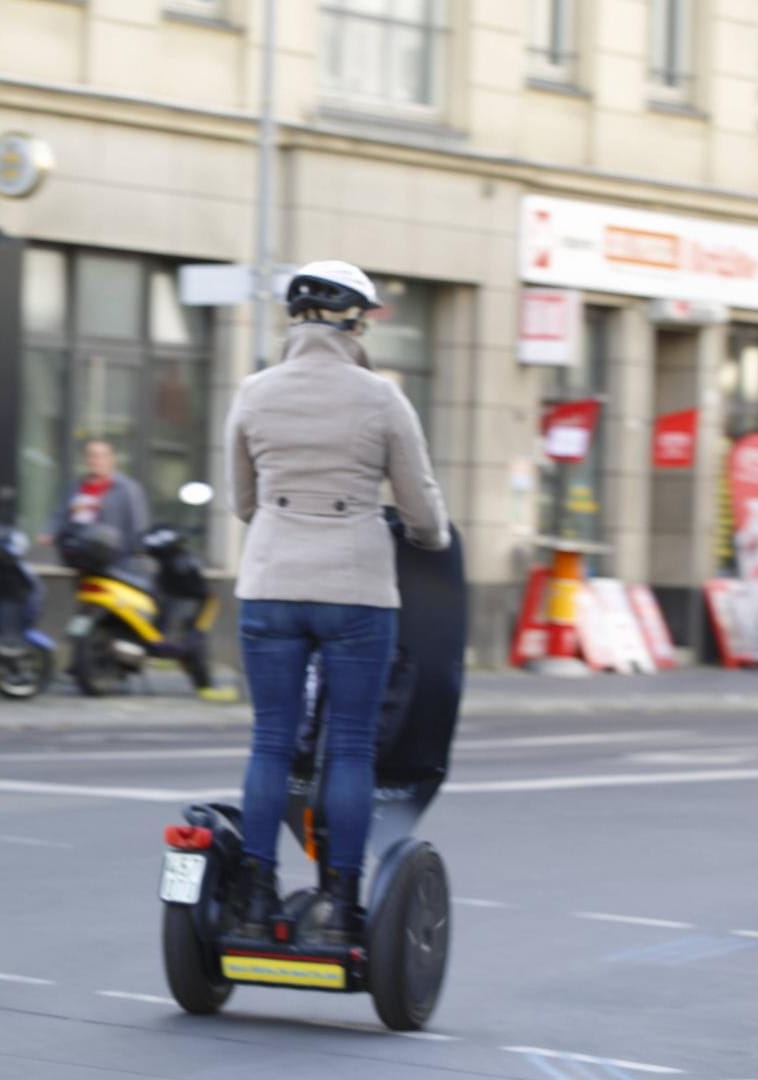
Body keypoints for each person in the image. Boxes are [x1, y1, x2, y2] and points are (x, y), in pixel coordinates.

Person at [223, 259, 449, 946]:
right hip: (355, 592)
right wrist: (428, 536)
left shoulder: (254, 393)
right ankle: (340, 904)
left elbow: (242, 501)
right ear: (357, 321)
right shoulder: (382, 399)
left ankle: (258, 896)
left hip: (270, 585)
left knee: (270, 742)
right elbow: (420, 506)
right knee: (349, 747)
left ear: (295, 320)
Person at [40, 439, 150, 559]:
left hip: (113, 559)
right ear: (85, 459)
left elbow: (138, 526)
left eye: (101, 456)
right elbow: (59, 514)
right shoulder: (75, 486)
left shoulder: (127, 489)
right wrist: (49, 533)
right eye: (91, 456)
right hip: (78, 556)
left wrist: (139, 554)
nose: (95, 461)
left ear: (111, 459)